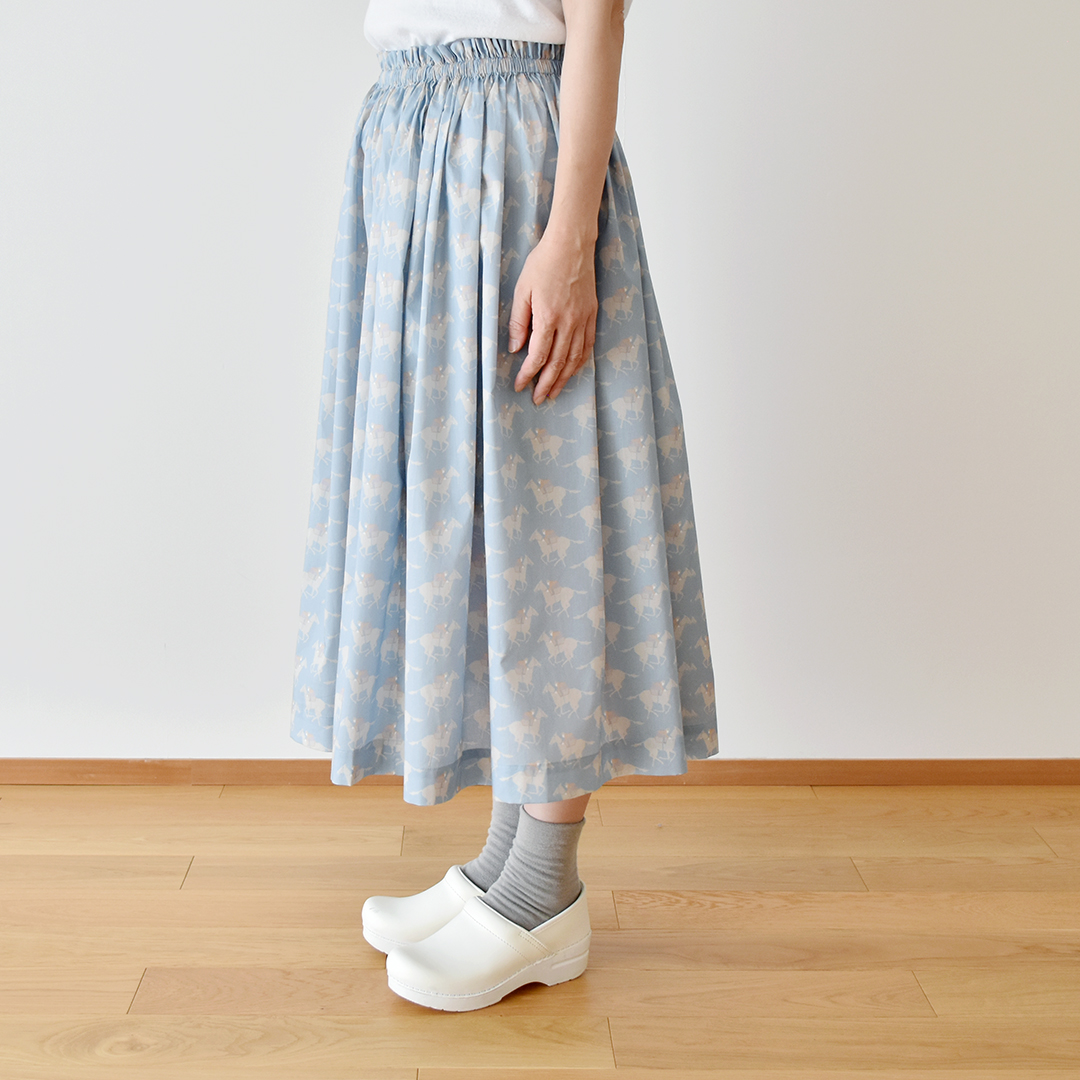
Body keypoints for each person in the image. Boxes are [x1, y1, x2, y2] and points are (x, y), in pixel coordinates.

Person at [290, 0, 718, 1011]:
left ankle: (543, 888)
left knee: (544, 512)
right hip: (415, 146)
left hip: (516, 160)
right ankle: (506, 860)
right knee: (476, 524)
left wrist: (570, 238)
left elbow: (597, 22)